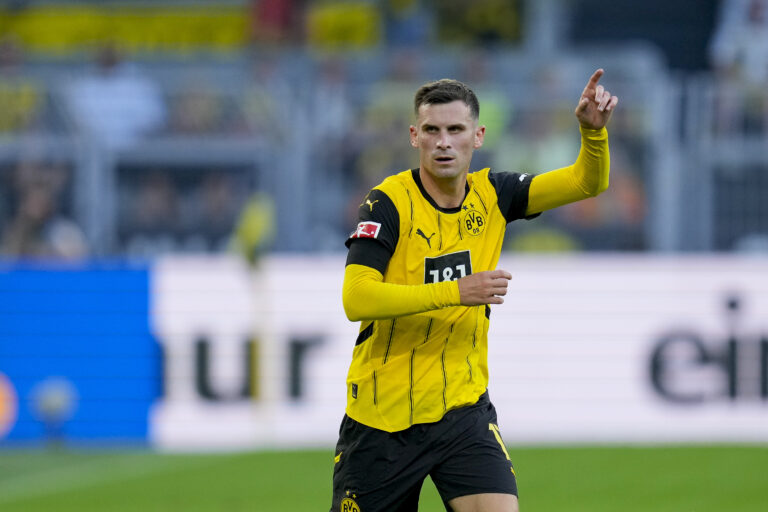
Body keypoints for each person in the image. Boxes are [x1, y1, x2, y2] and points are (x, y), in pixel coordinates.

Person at [330, 69, 618, 512]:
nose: (443, 141)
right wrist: (455, 290)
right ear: (414, 136)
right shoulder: (387, 202)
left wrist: (592, 134)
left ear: (478, 135)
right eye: (432, 130)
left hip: (463, 412)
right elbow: (357, 298)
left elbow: (587, 182)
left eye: (455, 130)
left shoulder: (495, 195)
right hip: (381, 420)